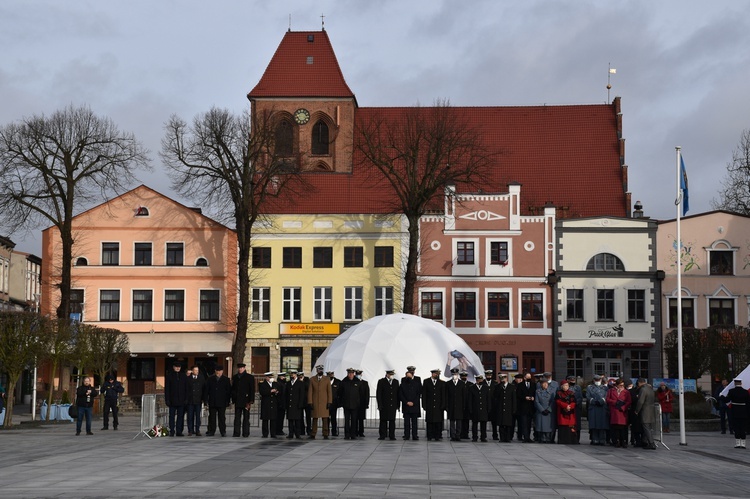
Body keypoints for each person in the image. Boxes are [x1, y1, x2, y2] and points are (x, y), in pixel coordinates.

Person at [164, 361, 189, 437]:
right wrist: (167, 399)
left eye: (179, 367)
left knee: (180, 416)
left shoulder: (183, 376)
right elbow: (167, 389)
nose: (178, 368)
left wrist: (186, 398)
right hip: (172, 400)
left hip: (181, 400)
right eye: (176, 366)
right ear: (173, 367)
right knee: (171, 416)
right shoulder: (169, 376)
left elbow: (186, 388)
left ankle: (179, 431)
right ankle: (172, 430)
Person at [206, 364, 232, 437]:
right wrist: (206, 400)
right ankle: (211, 431)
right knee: (212, 417)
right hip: (212, 401)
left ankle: (223, 431)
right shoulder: (210, 379)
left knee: (222, 417)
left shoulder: (226, 379)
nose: (218, 372)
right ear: (215, 371)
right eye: (217, 371)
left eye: (220, 371)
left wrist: (228, 401)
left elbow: (228, 391)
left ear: (222, 371)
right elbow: (207, 390)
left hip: (222, 402)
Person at [308, 365, 333, 439]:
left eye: (321, 370)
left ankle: (325, 433)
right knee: (315, 418)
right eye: (319, 370)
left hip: (324, 402)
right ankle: (313, 433)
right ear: (316, 371)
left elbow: (329, 392)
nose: (320, 371)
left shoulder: (327, 379)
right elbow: (310, 392)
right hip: (315, 401)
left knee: (325, 419)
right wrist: (310, 402)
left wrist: (329, 402)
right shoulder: (312, 379)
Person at [231, 363, 255, 438]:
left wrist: (251, 401)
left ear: (244, 368)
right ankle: (236, 433)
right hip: (237, 400)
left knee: (246, 418)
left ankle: (246, 433)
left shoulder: (249, 377)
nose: (240, 369)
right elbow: (233, 389)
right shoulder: (235, 377)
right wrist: (233, 398)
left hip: (246, 401)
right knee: (237, 418)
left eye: (241, 368)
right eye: (239, 368)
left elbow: (252, 389)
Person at [608, 378, 633, 448]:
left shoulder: (626, 392)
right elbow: (608, 399)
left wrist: (623, 407)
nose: (622, 386)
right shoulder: (611, 391)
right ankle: (616, 441)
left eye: (623, 385)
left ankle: (623, 441)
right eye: (620, 385)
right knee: (615, 427)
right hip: (614, 411)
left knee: (623, 428)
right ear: (617, 385)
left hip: (622, 412)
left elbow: (629, 401)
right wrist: (615, 402)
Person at [338, 368, 361, 440]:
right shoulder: (344, 382)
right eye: (349, 373)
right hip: (346, 404)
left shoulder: (358, 382)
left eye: (351, 373)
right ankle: (347, 434)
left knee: (354, 420)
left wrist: (358, 402)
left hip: (355, 405)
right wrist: (341, 402)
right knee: (347, 420)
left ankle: (353, 434)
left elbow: (360, 393)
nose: (350, 375)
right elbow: (340, 393)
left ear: (354, 374)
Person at [422, 368, 446, 441]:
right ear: (432, 374)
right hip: (430, 405)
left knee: (438, 422)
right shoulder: (426, 381)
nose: (437, 375)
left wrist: (443, 405)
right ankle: (429, 435)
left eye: (438, 374)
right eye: (435, 373)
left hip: (439, 406)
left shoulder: (442, 383)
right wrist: (424, 405)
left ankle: (437, 436)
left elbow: (443, 395)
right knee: (430, 422)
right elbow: (424, 394)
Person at [376, 369, 399, 440]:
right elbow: (379, 394)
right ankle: (382, 435)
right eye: (390, 374)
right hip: (384, 405)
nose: (391, 376)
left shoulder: (395, 382)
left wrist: (398, 405)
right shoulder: (381, 381)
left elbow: (397, 394)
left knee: (392, 421)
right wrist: (380, 404)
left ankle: (392, 435)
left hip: (393, 405)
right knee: (383, 420)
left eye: (392, 375)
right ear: (387, 374)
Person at [399, 367, 421, 440]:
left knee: (414, 422)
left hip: (414, 406)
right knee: (406, 422)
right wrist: (406, 402)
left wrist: (413, 402)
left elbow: (418, 394)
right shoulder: (403, 384)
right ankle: (406, 435)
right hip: (406, 406)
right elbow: (401, 394)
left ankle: (415, 435)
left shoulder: (417, 383)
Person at [726, 378, 749, 449]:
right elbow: (748, 402)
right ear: (741, 383)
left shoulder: (731, 391)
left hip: (735, 411)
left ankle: (737, 443)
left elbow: (727, 400)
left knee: (736, 427)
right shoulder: (745, 392)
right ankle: (743, 443)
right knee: (743, 427)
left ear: (735, 383)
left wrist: (721, 396)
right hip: (743, 411)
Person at [493, 373, 516, 442]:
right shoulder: (498, 386)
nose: (503, 380)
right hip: (500, 408)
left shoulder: (511, 387)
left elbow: (513, 399)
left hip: (509, 408)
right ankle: (502, 438)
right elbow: (495, 396)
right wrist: (500, 387)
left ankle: (508, 438)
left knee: (508, 424)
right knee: (501, 424)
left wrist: (514, 408)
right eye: (501, 379)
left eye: (504, 378)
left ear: (506, 378)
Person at [586, 375, 609, 446]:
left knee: (602, 425)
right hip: (593, 408)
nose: (597, 381)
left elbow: (607, 396)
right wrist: (594, 401)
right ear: (593, 380)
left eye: (598, 380)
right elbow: (588, 396)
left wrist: (601, 401)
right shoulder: (590, 387)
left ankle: (602, 439)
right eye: (596, 380)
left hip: (602, 408)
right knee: (594, 425)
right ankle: (594, 439)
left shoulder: (605, 388)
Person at [445, 367, 466, 441]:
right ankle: (452, 435)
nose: (454, 375)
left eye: (456, 374)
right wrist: (446, 405)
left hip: (459, 406)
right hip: (451, 406)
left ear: (458, 374)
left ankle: (458, 435)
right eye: (453, 374)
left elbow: (464, 396)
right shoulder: (448, 383)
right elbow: (446, 395)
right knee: (452, 421)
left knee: (459, 421)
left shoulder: (462, 383)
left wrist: (464, 406)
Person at [634, 378, 656, 450]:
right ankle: (646, 441)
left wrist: (637, 410)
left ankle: (651, 443)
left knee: (646, 428)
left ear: (640, 383)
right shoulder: (650, 389)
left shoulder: (643, 389)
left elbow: (640, 401)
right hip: (651, 410)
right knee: (648, 427)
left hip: (645, 411)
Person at [468, 374, 491, 442]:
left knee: (483, 424)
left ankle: (483, 437)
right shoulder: (472, 387)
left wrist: (488, 408)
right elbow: (470, 399)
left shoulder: (486, 388)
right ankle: (474, 437)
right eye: (479, 380)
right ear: (476, 380)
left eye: (481, 380)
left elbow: (488, 399)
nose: (480, 381)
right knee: (474, 424)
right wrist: (470, 409)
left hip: (483, 409)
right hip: (475, 409)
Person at [186, 365, 206, 436]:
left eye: (197, 370)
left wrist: (204, 399)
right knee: (190, 416)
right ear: (192, 371)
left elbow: (204, 389)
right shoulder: (188, 379)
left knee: (198, 416)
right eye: (195, 370)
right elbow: (186, 390)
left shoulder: (201, 378)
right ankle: (190, 430)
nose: (197, 372)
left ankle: (197, 430)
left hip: (198, 400)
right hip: (190, 401)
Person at [555, 380, 577, 444]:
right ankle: (562, 440)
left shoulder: (571, 393)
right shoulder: (558, 393)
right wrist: (565, 406)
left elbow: (574, 402)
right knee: (563, 427)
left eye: (567, 385)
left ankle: (572, 441)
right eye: (565, 385)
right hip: (562, 412)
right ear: (562, 386)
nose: (566, 387)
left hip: (570, 412)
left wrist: (570, 406)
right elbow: (558, 401)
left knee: (571, 427)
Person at [258, 372, 280, 438]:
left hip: (273, 403)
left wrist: (276, 392)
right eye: (269, 377)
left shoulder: (275, 383)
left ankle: (273, 433)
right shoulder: (262, 384)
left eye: (272, 377)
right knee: (265, 419)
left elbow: (279, 391)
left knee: (273, 419)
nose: (271, 379)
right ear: (266, 378)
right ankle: (265, 433)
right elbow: (262, 392)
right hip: (266, 403)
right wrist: (270, 391)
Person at [515, 373, 535, 443]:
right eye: (527, 377)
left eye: (530, 377)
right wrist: (524, 397)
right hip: (523, 407)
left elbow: (535, 393)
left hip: (530, 407)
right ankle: (525, 437)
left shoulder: (533, 384)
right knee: (524, 423)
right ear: (524, 378)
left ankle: (528, 437)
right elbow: (518, 395)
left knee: (529, 423)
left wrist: (533, 398)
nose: (529, 378)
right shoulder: (520, 385)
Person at [285, 371, 305, 439]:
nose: (292, 376)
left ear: (296, 375)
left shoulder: (300, 383)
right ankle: (291, 433)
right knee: (290, 420)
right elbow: (287, 394)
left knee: (297, 420)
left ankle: (297, 433)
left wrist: (300, 404)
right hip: (290, 405)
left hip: (297, 404)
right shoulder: (288, 383)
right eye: (291, 374)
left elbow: (302, 395)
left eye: (293, 374)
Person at [534, 379, 554, 443]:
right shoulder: (538, 391)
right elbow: (536, 402)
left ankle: (548, 438)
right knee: (540, 425)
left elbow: (552, 402)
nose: (545, 385)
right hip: (540, 411)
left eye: (546, 384)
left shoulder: (551, 392)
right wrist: (542, 410)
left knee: (548, 426)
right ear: (541, 384)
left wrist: (548, 409)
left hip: (548, 411)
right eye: (544, 383)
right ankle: (541, 438)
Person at [568, 375, 583, 442]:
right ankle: (569, 438)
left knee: (577, 424)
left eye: (574, 379)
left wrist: (575, 404)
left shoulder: (578, 387)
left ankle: (577, 439)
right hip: (568, 408)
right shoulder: (566, 387)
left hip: (576, 408)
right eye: (571, 379)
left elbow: (580, 397)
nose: (572, 380)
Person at [356, 370, 370, 437]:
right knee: (354, 418)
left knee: (361, 419)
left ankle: (361, 431)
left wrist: (367, 403)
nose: (358, 375)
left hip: (362, 404)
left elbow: (367, 394)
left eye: (359, 374)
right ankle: (355, 431)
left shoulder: (365, 383)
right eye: (357, 374)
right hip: (355, 403)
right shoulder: (354, 382)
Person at [327, 371, 341, 436]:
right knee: (326, 418)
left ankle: (334, 431)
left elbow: (340, 393)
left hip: (334, 403)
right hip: (326, 403)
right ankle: (326, 431)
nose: (330, 376)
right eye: (328, 375)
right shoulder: (324, 382)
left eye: (331, 374)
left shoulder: (338, 382)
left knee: (333, 418)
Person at [459, 371, 472, 439]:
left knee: (466, 421)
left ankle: (466, 434)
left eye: (465, 376)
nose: (464, 377)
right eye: (462, 376)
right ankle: (460, 433)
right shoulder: (458, 384)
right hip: (460, 405)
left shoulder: (470, 385)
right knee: (460, 420)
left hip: (467, 405)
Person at [298, 372, 311, 436]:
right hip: (300, 401)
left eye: (301, 375)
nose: (300, 377)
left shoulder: (307, 379)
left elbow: (307, 386)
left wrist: (302, 381)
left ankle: (309, 430)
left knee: (308, 417)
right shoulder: (297, 380)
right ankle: (302, 430)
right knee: (300, 417)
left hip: (307, 401)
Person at [275, 372, 288, 436]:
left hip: (283, 403)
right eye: (283, 377)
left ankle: (279, 429)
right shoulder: (278, 384)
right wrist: (280, 403)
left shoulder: (283, 384)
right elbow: (279, 395)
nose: (284, 378)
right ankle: (278, 430)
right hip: (279, 404)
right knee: (279, 418)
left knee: (281, 418)